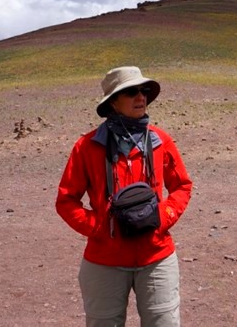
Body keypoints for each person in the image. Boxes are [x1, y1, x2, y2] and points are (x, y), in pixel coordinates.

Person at [56, 66, 193, 327]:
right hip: (104, 260)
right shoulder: (87, 147)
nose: (140, 97)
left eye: (144, 91)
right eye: (131, 92)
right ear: (112, 103)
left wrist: (164, 218)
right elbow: (66, 200)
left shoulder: (160, 141)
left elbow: (182, 186)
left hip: (156, 256)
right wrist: (97, 227)